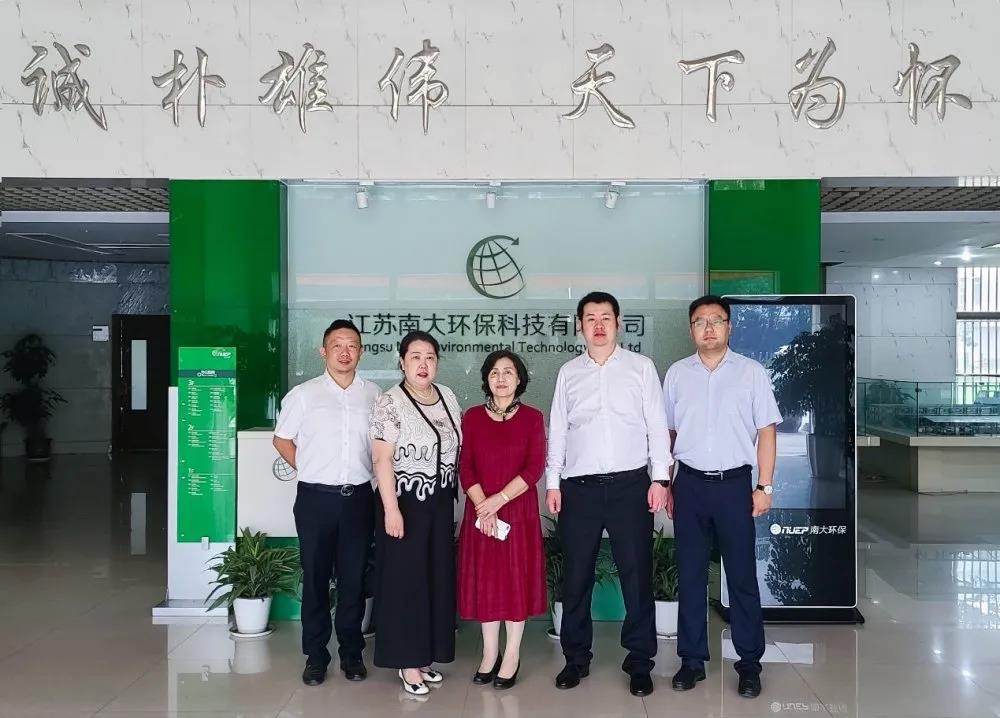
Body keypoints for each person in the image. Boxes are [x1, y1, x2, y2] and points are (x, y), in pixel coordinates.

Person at [545, 291, 672, 697]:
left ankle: (640, 662)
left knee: (636, 576)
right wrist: (552, 482)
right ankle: (575, 659)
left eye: (605, 317)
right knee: (576, 577)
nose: (598, 325)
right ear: (580, 325)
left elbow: (657, 424)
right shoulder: (569, 373)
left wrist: (660, 478)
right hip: (578, 489)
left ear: (618, 323)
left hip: (630, 486)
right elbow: (559, 429)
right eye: (590, 318)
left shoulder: (640, 367)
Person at [662, 295, 781, 700]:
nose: (708, 328)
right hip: (690, 485)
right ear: (691, 329)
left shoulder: (751, 372)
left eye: (716, 320)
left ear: (730, 327)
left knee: (742, 577)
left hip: (735, 486)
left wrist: (765, 486)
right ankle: (692, 661)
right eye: (700, 321)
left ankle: (749, 664)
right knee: (691, 575)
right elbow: (669, 434)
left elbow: (767, 431)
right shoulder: (677, 374)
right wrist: (667, 482)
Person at [272, 319, 382, 687]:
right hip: (315, 500)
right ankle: (316, 655)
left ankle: (351, 653)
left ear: (361, 352)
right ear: (324, 351)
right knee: (316, 579)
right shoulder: (304, 395)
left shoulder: (374, 395)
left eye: (352, 345)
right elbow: (282, 439)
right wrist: (309, 468)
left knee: (353, 579)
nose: (345, 352)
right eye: (337, 345)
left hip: (359, 499)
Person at [369, 330, 463, 696]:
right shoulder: (390, 402)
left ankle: (425, 656)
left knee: (434, 578)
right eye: (415, 357)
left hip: (439, 503)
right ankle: (407, 663)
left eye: (430, 358)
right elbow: (382, 459)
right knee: (406, 582)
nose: (423, 365)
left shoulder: (447, 396)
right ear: (402, 361)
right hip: (404, 502)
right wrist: (391, 509)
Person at [457, 350, 546, 690]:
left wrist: (498, 501)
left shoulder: (533, 418)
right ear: (486, 380)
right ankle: (489, 652)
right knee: (487, 582)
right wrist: (484, 505)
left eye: (509, 372)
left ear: (519, 379)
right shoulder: (472, 417)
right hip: (481, 512)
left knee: (514, 581)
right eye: (494, 372)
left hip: (516, 512)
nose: (501, 378)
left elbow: (534, 468)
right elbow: (466, 466)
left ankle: (511, 654)